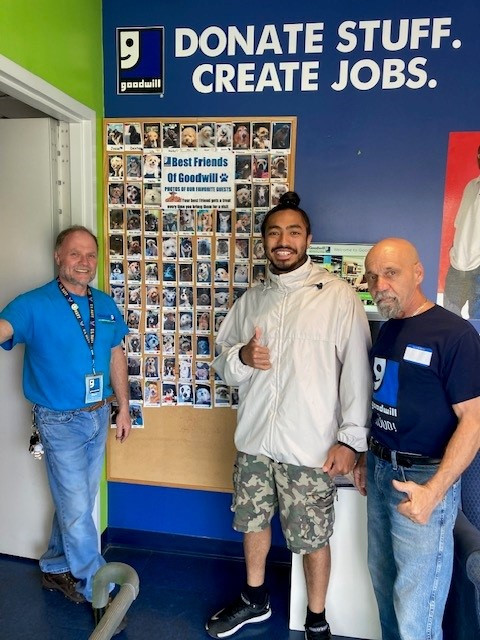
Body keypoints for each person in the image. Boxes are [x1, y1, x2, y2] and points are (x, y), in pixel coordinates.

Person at [206, 192, 371, 640]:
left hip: (311, 447)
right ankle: (254, 600)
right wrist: (243, 355)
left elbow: (357, 375)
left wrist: (352, 443)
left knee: (313, 537)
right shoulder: (253, 300)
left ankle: (317, 620)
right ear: (264, 241)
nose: (284, 241)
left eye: (293, 232)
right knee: (253, 523)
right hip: (256, 441)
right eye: (275, 233)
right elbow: (222, 365)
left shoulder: (338, 297)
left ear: (308, 239)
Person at [0, 226, 131, 625]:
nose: (85, 262)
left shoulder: (105, 304)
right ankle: (99, 593)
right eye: (75, 254)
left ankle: (56, 566)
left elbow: (115, 355)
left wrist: (123, 406)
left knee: (77, 501)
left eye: (91, 255)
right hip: (58, 421)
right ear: (59, 256)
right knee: (77, 511)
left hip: (97, 415)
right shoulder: (32, 304)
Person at [358, 237, 480, 640]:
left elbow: (474, 422)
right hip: (380, 471)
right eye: (373, 276)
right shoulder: (389, 330)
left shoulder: (455, 334)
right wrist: (365, 457)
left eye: (390, 273)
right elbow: (382, 400)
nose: (380, 285)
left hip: (424, 480)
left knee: (417, 608)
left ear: (418, 272)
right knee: (384, 586)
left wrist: (434, 491)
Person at [443, 144, 480, 318]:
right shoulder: (471, 186)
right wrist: (454, 252)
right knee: (448, 321)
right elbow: (459, 224)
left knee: (477, 323)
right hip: (457, 265)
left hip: (478, 268)